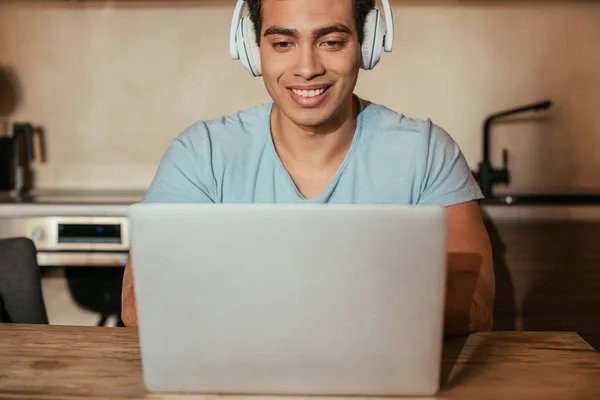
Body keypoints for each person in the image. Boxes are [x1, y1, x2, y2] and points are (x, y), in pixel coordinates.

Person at [121, 0, 495, 336]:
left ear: (367, 43)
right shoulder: (200, 153)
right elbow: (140, 303)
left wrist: (251, 298)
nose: (307, 68)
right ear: (254, 51)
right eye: (283, 44)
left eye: (330, 42)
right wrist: (366, 299)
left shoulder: (427, 151)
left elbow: (475, 301)